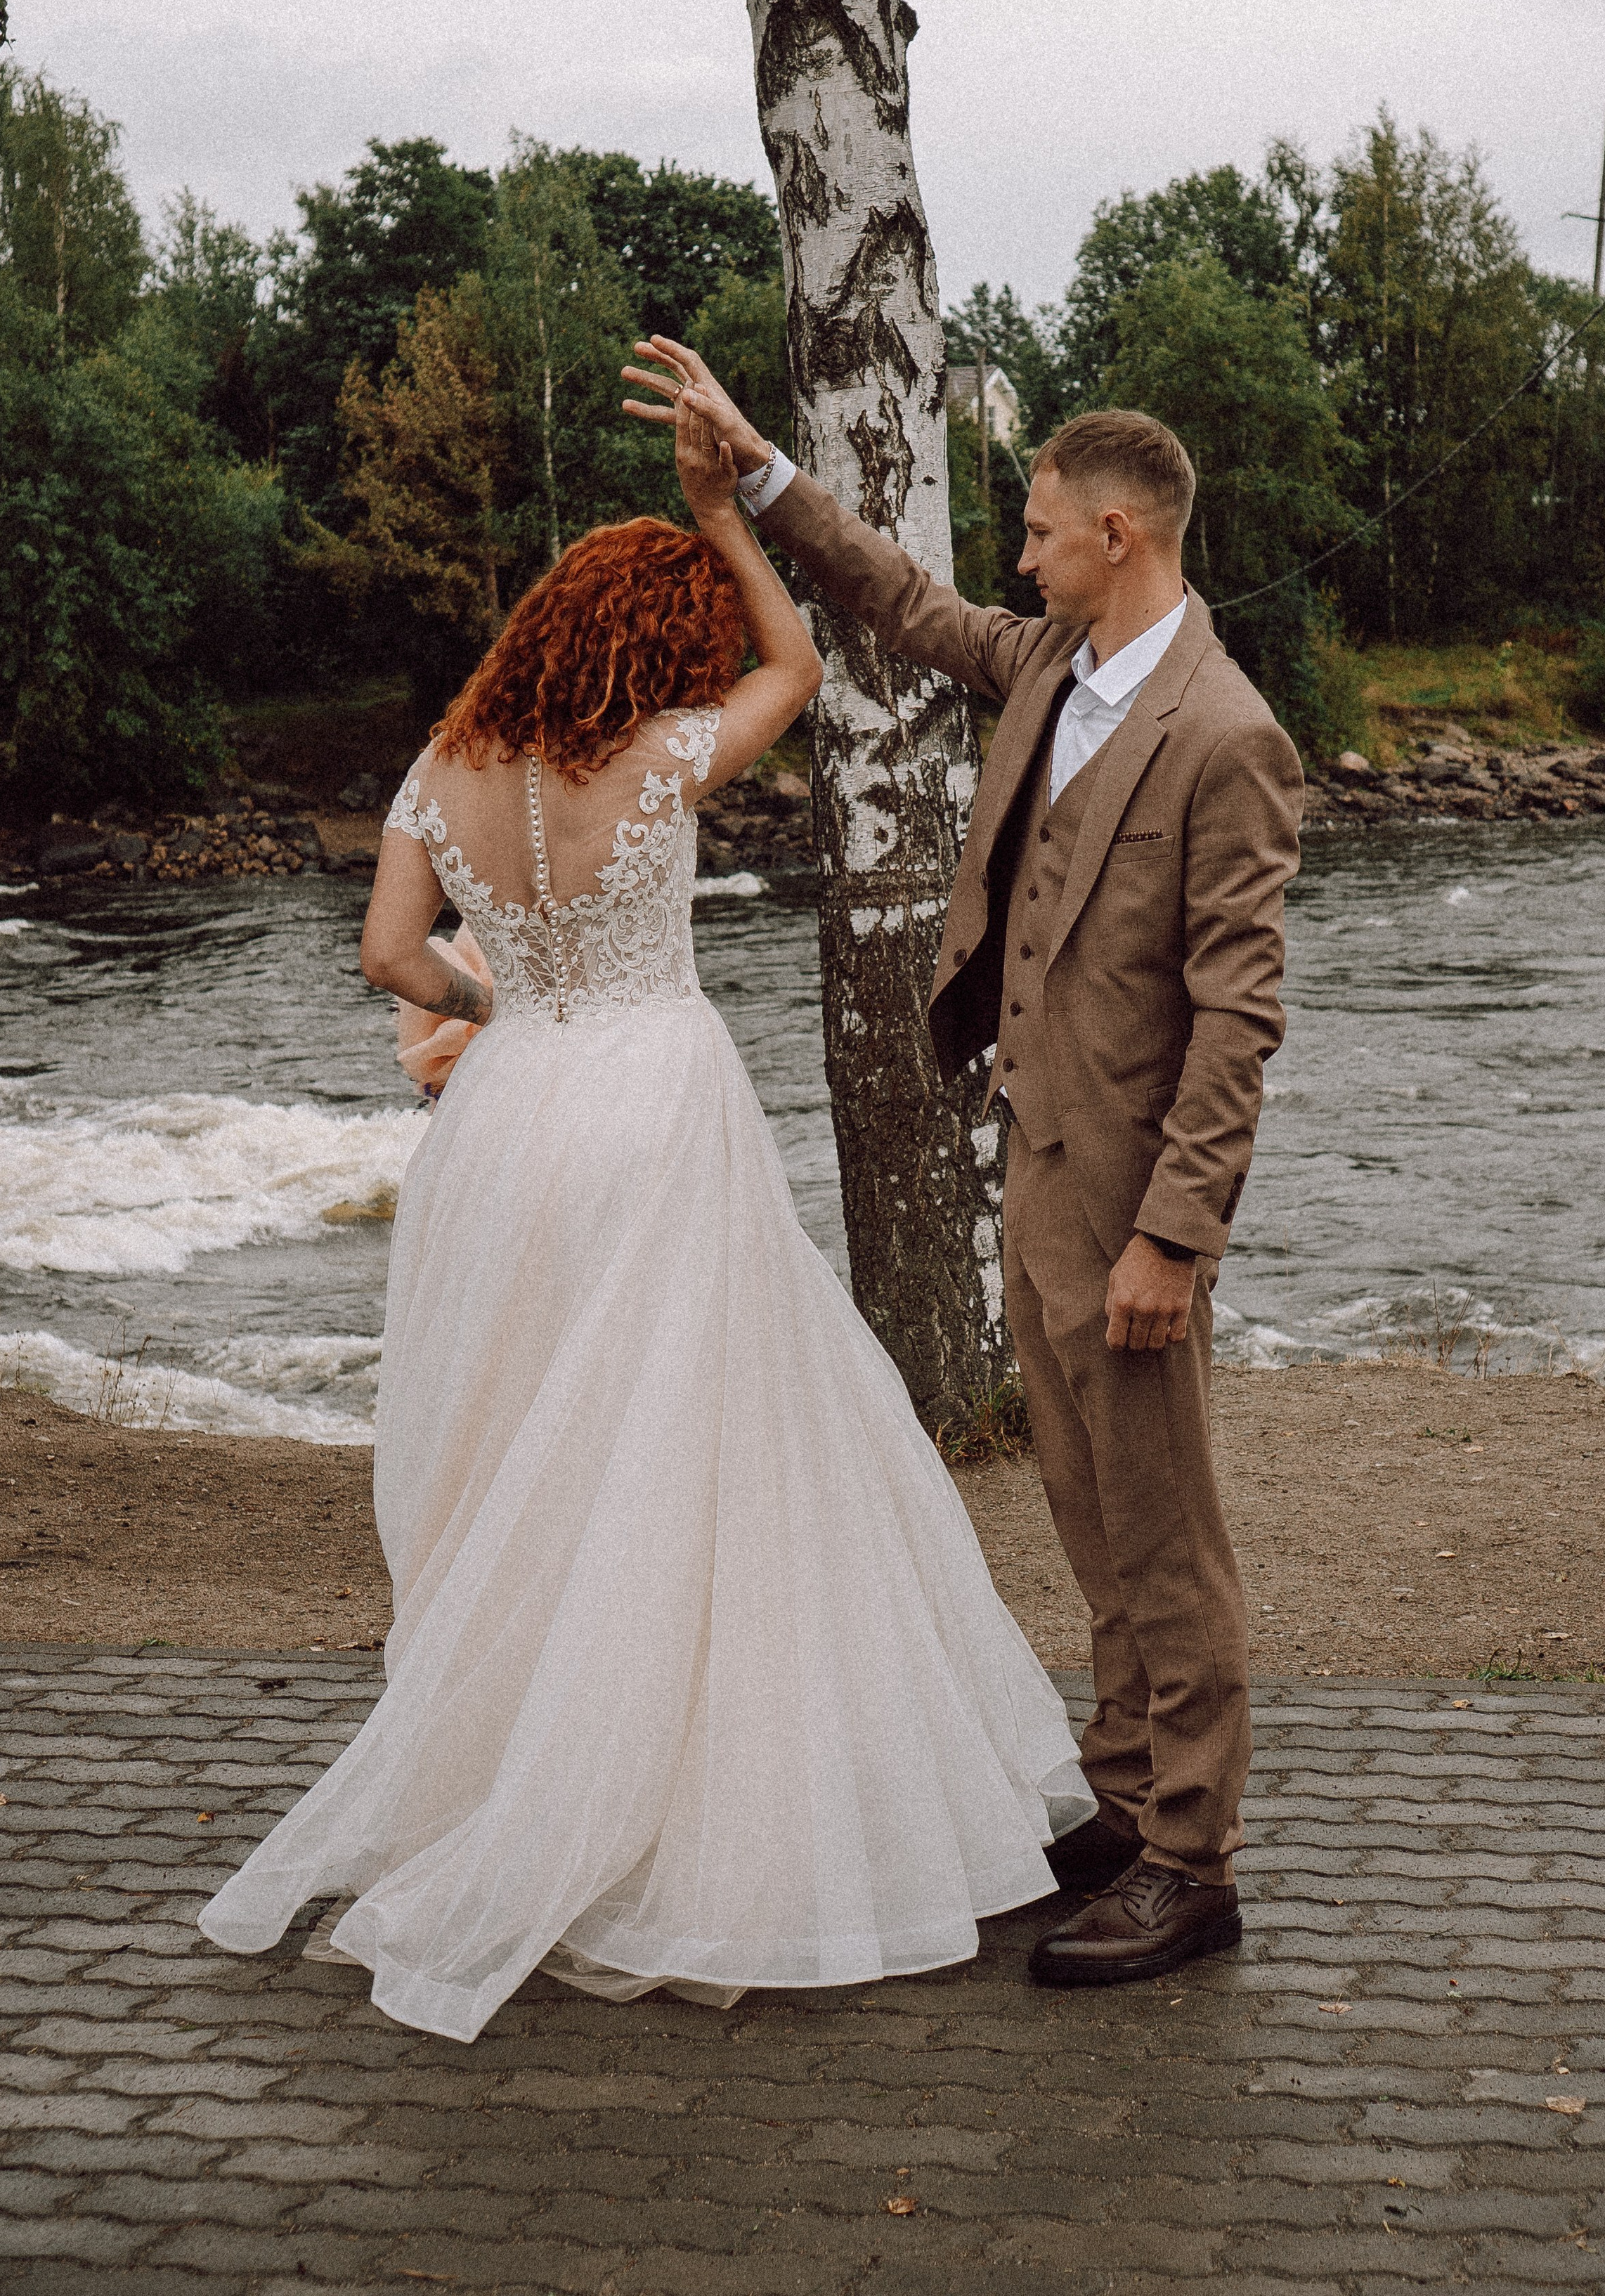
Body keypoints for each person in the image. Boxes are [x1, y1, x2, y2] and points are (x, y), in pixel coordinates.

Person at [198, 399, 1090, 2042]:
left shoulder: (437, 771)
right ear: (652, 643)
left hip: (510, 1119)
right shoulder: (667, 753)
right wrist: (731, 521)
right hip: (655, 1113)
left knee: (519, 1444)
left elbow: (392, 961)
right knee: (683, 1448)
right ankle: (685, 1807)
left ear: (545, 626)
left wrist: (503, 999)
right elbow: (800, 673)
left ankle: (513, 1774)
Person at [623, 339, 1304, 1989]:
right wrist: (762, 474)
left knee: (1165, 1534)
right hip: (1035, 1164)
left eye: (1041, 527)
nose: (1019, 551)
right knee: (1087, 1508)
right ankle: (1130, 1801)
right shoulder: (1058, 665)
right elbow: (902, 604)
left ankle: (1192, 1866)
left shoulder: (1225, 736)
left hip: (1130, 1201)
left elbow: (1237, 1020)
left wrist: (1171, 1242)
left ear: (1121, 535)